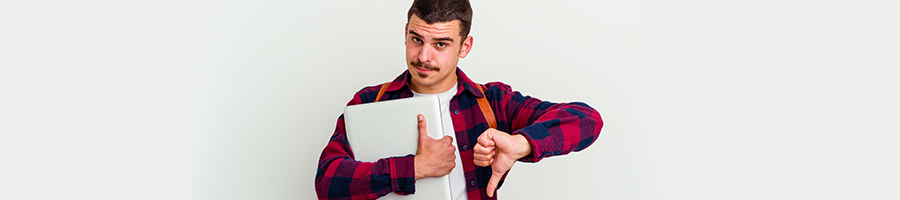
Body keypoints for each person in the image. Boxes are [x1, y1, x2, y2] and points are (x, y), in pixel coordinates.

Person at [314, 0, 603, 199]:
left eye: (440, 44)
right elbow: (327, 183)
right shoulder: (368, 103)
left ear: (465, 46)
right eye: (417, 39)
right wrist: (415, 167)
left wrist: (519, 144)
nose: (424, 56)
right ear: (405, 33)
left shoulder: (493, 101)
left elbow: (587, 121)